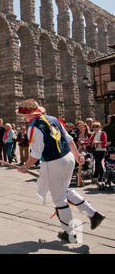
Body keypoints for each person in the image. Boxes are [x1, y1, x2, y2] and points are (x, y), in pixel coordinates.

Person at [16, 99, 105, 243]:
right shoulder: (53, 120)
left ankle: (70, 233)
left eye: (24, 115)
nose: (23, 117)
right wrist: (77, 156)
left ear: (30, 114)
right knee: (64, 191)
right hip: (67, 158)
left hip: (54, 163)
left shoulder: (34, 127)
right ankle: (93, 214)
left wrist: (25, 167)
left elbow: (36, 153)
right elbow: (69, 139)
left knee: (59, 198)